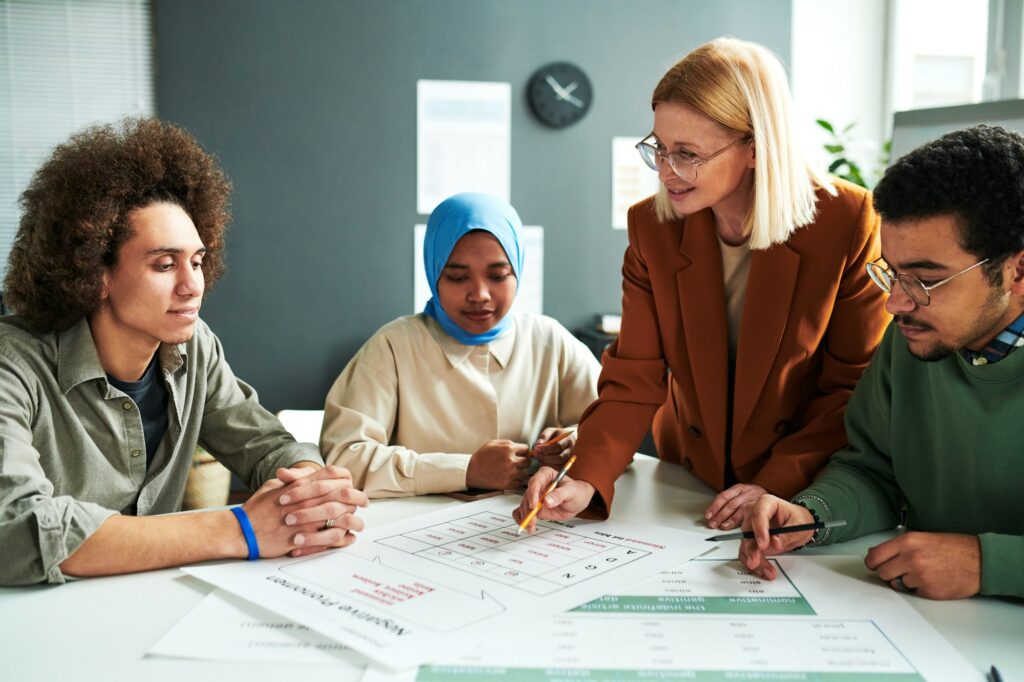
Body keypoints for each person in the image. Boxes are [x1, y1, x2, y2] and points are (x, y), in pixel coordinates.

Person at [514, 37, 889, 532]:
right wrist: (586, 477)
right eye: (660, 149)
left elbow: (852, 387)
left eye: (687, 154)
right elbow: (635, 377)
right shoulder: (652, 226)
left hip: (800, 477)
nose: (667, 172)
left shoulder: (846, 220)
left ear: (755, 149)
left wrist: (775, 481)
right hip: (690, 474)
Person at [0, 118, 368, 586]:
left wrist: (311, 487)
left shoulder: (196, 347)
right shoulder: (11, 364)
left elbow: (265, 445)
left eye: (197, 261)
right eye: (164, 264)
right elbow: (14, 529)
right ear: (97, 273)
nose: (193, 284)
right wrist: (237, 529)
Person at [739, 125, 1024, 601]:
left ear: (1017, 272)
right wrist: (812, 516)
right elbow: (873, 470)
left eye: (925, 281)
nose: (895, 304)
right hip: (929, 629)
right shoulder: (913, 339)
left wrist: (988, 564)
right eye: (892, 272)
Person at [320, 192, 600, 497]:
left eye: (498, 275)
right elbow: (344, 460)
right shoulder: (392, 347)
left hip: (534, 528)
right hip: (419, 532)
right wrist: (465, 470)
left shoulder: (550, 341)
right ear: (433, 272)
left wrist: (574, 443)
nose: (479, 294)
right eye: (457, 277)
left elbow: (612, 430)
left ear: (517, 270)